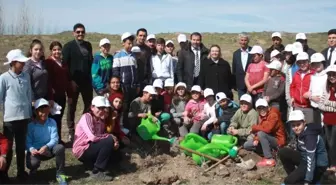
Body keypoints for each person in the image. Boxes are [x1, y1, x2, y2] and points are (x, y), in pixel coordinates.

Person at [0, 49, 32, 181]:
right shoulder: (4, 78)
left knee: (21, 146)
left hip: (24, 117)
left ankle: (21, 171)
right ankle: (4, 173)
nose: (23, 64)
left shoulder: (26, 76)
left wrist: (30, 113)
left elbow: (29, 95)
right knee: (7, 147)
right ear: (13, 63)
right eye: (20, 62)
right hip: (10, 118)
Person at [72, 96, 117, 181]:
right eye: (99, 108)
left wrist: (113, 142)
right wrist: (110, 137)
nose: (101, 111)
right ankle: (97, 171)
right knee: (108, 140)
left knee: (116, 153)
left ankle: (91, 165)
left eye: (103, 108)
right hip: (82, 149)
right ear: (92, 107)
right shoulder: (87, 117)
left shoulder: (100, 121)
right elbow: (93, 137)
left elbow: (101, 136)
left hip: (91, 147)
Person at [63, 23, 93, 143]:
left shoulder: (88, 45)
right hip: (73, 82)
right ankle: (71, 132)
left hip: (86, 82)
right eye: (78, 32)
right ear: (74, 33)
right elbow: (65, 65)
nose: (80, 34)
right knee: (72, 106)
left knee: (88, 106)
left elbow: (90, 62)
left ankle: (84, 128)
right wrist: (69, 81)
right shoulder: (68, 46)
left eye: (82, 32)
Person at [279, 110, 328, 185]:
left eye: (298, 124)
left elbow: (311, 160)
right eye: (293, 125)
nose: (296, 128)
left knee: (288, 182)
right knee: (282, 152)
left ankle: (312, 180)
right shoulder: (301, 132)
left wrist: (307, 181)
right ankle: (295, 177)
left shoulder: (310, 137)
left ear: (304, 122)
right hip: (304, 158)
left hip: (318, 165)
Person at [26, 98, 67, 184]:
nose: (44, 114)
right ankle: (33, 171)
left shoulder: (52, 122)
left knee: (60, 148)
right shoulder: (30, 125)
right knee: (32, 163)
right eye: (41, 111)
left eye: (46, 111)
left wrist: (47, 146)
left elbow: (55, 139)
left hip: (49, 149)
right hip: (36, 151)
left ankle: (60, 174)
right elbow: (28, 141)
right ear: (36, 112)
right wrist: (32, 149)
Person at [45, 41, 73, 144]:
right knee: (52, 118)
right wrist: (51, 97)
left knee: (59, 117)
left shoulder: (63, 63)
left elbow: (68, 80)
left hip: (62, 95)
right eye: (54, 50)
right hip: (52, 96)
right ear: (51, 51)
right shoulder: (48, 62)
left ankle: (58, 139)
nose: (57, 51)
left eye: (59, 49)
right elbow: (47, 80)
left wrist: (69, 95)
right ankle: (51, 140)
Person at [244, 98, 286, 167]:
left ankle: (269, 159)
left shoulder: (273, 115)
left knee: (261, 134)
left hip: (278, 141)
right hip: (268, 139)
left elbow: (268, 129)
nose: (262, 110)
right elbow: (262, 127)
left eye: (263, 108)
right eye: (259, 108)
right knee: (247, 145)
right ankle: (270, 152)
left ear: (267, 107)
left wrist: (254, 128)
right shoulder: (262, 116)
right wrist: (256, 139)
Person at [113, 32, 139, 131]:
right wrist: (119, 85)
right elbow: (115, 72)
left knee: (132, 106)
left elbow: (135, 71)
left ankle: (131, 127)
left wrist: (137, 84)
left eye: (132, 43)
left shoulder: (133, 56)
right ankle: (122, 127)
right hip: (124, 86)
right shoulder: (118, 56)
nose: (130, 45)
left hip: (133, 86)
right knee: (124, 107)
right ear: (123, 43)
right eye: (128, 43)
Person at [24, 39, 54, 104]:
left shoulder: (43, 63)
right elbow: (27, 83)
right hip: (33, 100)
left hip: (44, 98)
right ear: (30, 50)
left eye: (40, 49)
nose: (38, 51)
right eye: (36, 49)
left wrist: (50, 98)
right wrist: (32, 98)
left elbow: (47, 81)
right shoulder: (27, 65)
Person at [318, 65, 336, 172]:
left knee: (334, 143)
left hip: (335, 120)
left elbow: (324, 103)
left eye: (334, 74)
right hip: (327, 120)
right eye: (330, 75)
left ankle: (334, 164)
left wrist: (327, 105)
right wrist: (332, 106)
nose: (331, 77)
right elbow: (320, 104)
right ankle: (330, 164)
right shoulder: (327, 87)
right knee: (328, 143)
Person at [290, 52, 315, 124]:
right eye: (299, 63)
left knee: (309, 126)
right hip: (298, 106)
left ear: (308, 62)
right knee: (298, 126)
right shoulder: (297, 74)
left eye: (304, 62)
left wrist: (311, 94)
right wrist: (292, 96)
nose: (302, 64)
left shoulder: (313, 74)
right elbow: (292, 86)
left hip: (309, 106)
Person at [307, 53, 327, 125]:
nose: (316, 66)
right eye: (314, 64)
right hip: (314, 107)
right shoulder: (313, 77)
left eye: (318, 63)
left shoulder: (327, 76)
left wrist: (321, 100)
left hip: (325, 108)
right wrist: (311, 97)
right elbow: (310, 91)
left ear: (323, 63)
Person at [232, 34, 253, 98]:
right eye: (242, 40)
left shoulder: (253, 51)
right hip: (240, 83)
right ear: (239, 41)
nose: (243, 42)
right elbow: (234, 69)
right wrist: (234, 84)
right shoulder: (236, 53)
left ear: (248, 41)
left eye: (245, 40)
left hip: (252, 83)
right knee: (242, 102)